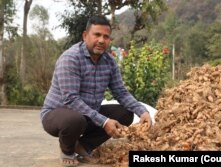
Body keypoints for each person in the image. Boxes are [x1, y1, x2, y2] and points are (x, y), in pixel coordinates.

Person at [40, 15, 152, 167]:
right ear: (85, 35)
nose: (101, 40)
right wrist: (104, 121)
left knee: (125, 113)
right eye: (97, 35)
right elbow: (71, 100)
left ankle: (83, 145)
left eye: (106, 36)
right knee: (74, 120)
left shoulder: (109, 62)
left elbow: (121, 92)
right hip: (58, 114)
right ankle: (67, 150)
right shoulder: (71, 58)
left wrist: (142, 112)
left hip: (89, 114)